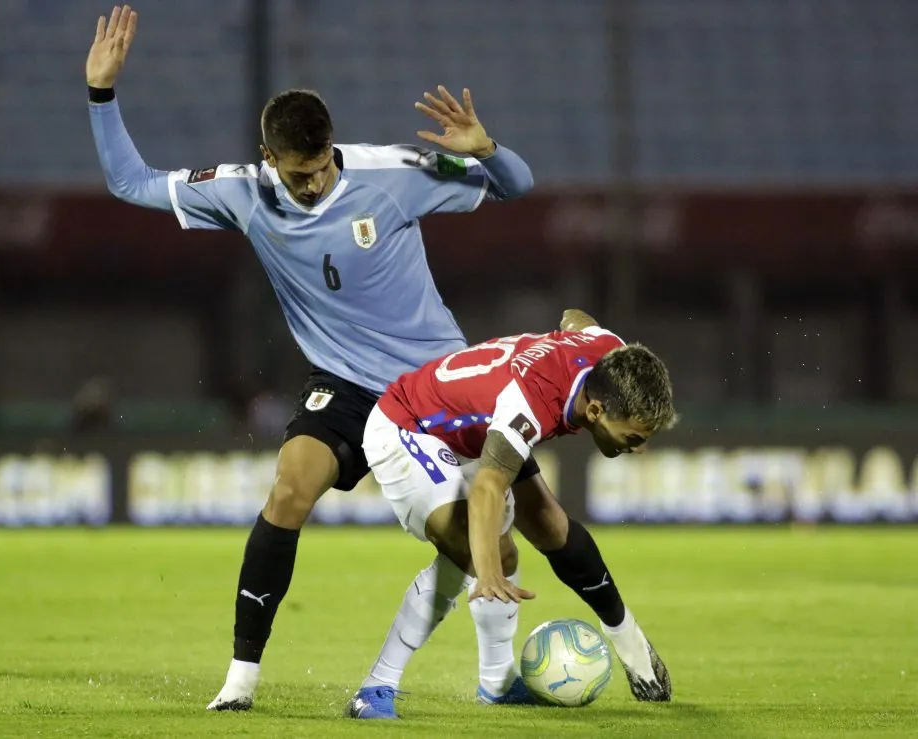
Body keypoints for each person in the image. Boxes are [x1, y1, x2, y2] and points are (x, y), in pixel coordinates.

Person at [85, 5, 541, 711]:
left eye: (322, 167)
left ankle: (529, 667)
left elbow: (518, 186)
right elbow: (130, 182)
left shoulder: (392, 172)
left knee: (504, 544)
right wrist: (102, 93)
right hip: (346, 386)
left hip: (432, 388)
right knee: (287, 492)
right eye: (299, 174)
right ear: (270, 159)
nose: (314, 184)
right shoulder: (241, 191)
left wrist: (487, 149)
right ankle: (240, 681)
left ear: (332, 148)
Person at [347, 310, 678, 719]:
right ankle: (375, 686)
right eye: (632, 437)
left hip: (475, 431)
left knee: (537, 532)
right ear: (595, 411)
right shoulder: (531, 400)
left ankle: (498, 683)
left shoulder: (610, 354)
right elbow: (488, 486)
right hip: (410, 425)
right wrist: (485, 572)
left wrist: (562, 335)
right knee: (471, 550)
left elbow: (577, 319)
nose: (639, 449)